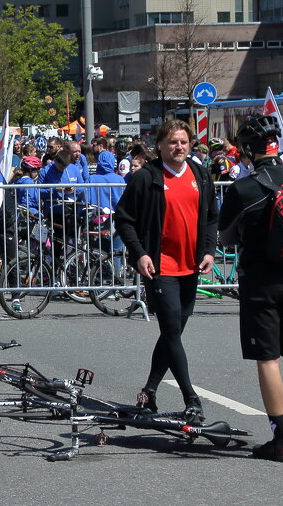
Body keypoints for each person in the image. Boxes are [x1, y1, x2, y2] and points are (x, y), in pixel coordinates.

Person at [219, 114, 283, 462]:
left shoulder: (244, 188)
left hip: (260, 280)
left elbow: (225, 234)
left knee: (267, 358)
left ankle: (280, 440)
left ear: (247, 150)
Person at [114, 119, 217, 421]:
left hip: (191, 266)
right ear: (159, 145)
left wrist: (209, 250)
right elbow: (124, 219)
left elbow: (211, 216)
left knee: (173, 333)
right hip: (161, 268)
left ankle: (148, 393)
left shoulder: (199, 172)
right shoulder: (147, 177)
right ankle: (192, 399)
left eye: (184, 141)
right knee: (171, 329)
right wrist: (140, 254)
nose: (179, 147)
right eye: (173, 142)